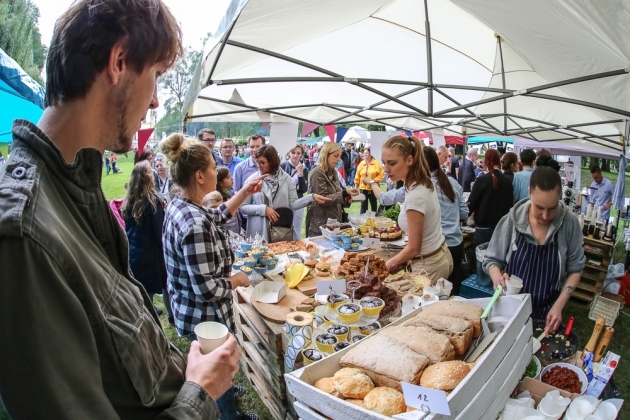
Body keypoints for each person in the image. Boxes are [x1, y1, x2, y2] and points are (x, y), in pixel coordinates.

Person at [0, 0, 240, 418]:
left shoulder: (73, 192)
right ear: (119, 62)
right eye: (157, 76)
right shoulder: (26, 232)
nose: (154, 102)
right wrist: (198, 393)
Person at [161, 133, 264, 420]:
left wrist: (244, 191)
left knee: (216, 368)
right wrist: (238, 279)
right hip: (205, 315)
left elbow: (215, 216)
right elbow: (207, 289)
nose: (216, 173)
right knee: (214, 367)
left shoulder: (182, 205)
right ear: (199, 176)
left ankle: (227, 396)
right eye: (211, 168)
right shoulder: (194, 224)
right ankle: (228, 414)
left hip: (192, 309)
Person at [483, 166, 585, 332]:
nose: (545, 216)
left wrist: (559, 305)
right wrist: (497, 277)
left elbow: (576, 270)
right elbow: (492, 260)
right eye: (539, 207)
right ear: (529, 192)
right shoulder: (512, 220)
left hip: (547, 312)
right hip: (510, 308)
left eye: (552, 208)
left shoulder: (569, 223)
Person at [378, 135, 452, 281]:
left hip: (429, 266)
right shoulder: (421, 182)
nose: (386, 169)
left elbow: (414, 248)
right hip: (438, 255)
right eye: (384, 163)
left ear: (410, 160)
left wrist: (389, 264)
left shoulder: (415, 196)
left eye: (392, 163)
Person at [241, 145, 328, 241]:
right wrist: (263, 209)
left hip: (280, 232)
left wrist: (311, 197)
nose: (258, 166)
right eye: (257, 162)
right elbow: (243, 207)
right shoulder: (252, 180)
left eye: (262, 163)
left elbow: (293, 204)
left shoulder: (287, 180)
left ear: (272, 161)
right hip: (258, 233)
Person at [122, 161, 170, 321]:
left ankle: (149, 311)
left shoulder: (130, 199)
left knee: (144, 286)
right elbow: (159, 230)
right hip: (151, 252)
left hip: (135, 249)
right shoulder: (152, 201)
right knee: (164, 285)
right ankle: (167, 316)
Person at [424, 147, 468, 294]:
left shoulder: (425, 186)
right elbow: (464, 213)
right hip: (456, 243)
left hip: (440, 247)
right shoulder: (452, 182)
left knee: (437, 292)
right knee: (453, 288)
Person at [306, 142, 359, 237]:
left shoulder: (333, 171)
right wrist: (344, 193)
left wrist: (347, 198)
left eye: (339, 156)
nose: (339, 159)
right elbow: (323, 199)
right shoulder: (317, 172)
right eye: (336, 156)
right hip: (320, 224)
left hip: (333, 222)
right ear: (326, 155)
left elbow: (337, 195)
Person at [467, 149, 513, 247]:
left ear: (486, 161)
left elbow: (471, 204)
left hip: (484, 228)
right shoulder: (507, 181)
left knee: (481, 260)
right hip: (502, 229)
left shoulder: (481, 180)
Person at [281, 144, 309, 238]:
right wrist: (295, 186)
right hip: (284, 202)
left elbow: (303, 189)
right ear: (289, 153)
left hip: (298, 202)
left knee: (296, 231)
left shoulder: (304, 169)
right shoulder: (282, 166)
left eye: (298, 153)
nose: (295, 155)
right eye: (293, 152)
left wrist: (300, 174)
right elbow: (281, 186)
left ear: (301, 155)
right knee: (283, 230)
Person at [355, 146, 384, 213]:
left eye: (366, 153)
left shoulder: (376, 163)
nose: (365, 155)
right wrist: (356, 186)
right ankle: (362, 220)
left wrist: (372, 181)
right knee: (363, 206)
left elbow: (381, 175)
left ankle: (374, 220)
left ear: (371, 154)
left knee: (374, 206)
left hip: (373, 188)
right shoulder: (361, 164)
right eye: (364, 153)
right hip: (363, 189)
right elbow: (357, 176)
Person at [216, 166, 242, 235]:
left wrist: (241, 231)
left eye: (230, 176)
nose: (232, 178)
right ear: (220, 183)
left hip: (236, 234)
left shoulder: (231, 194)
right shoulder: (219, 199)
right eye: (228, 178)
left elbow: (237, 217)